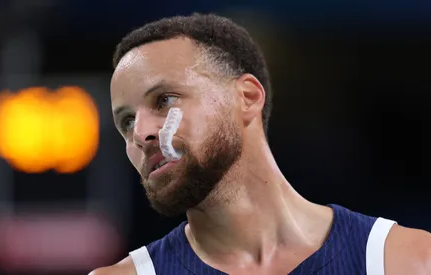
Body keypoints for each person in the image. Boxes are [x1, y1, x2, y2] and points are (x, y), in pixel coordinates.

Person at [91, 13, 431, 275]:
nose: (141, 134)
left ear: (248, 97)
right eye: (127, 121)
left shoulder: (409, 261)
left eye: (163, 99)